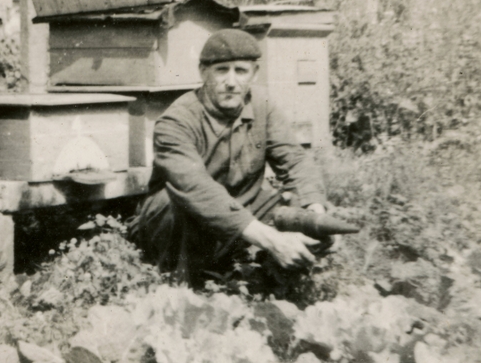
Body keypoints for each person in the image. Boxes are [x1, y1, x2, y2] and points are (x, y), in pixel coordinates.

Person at [126, 29, 329, 289]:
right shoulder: (176, 121)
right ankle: (176, 288)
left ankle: (275, 285)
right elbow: (196, 189)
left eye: (240, 71)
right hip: (178, 226)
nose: (231, 82)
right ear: (203, 72)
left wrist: (315, 213)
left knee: (296, 211)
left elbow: (295, 161)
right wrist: (271, 240)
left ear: (254, 73)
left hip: (237, 220)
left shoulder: (263, 107)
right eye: (222, 70)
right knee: (173, 200)